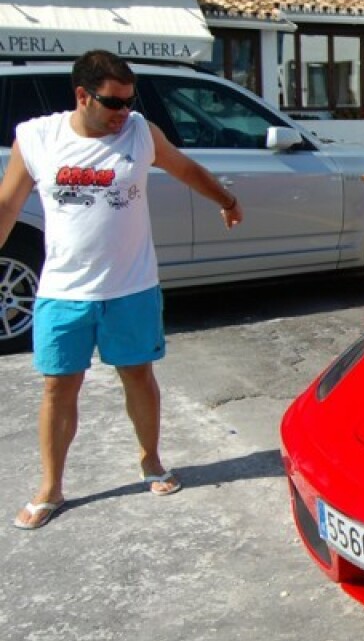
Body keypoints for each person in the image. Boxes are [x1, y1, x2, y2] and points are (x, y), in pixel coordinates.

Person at [0, 49, 244, 530]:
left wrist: (227, 199)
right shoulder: (37, 138)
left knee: (138, 376)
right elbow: (7, 204)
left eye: (129, 101)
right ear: (82, 95)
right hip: (64, 291)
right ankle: (51, 487)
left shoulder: (140, 132)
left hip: (131, 286)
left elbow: (185, 168)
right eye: (113, 103)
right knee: (58, 387)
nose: (123, 113)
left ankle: (151, 460)